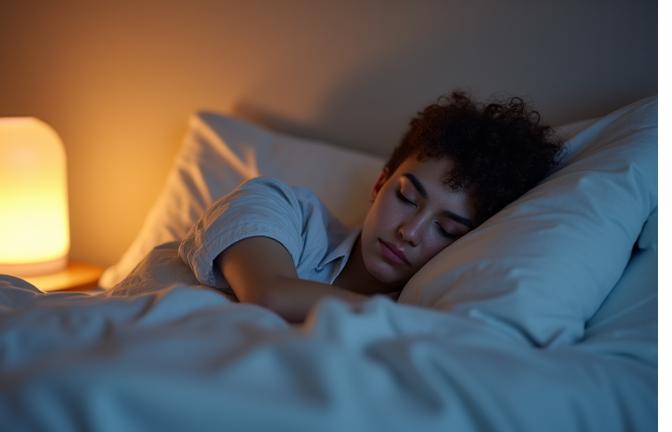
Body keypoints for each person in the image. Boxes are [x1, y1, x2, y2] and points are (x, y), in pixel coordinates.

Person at [178, 91, 563, 323]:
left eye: (447, 230)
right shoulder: (282, 208)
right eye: (407, 198)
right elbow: (270, 296)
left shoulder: (442, 309)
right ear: (380, 184)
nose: (409, 232)